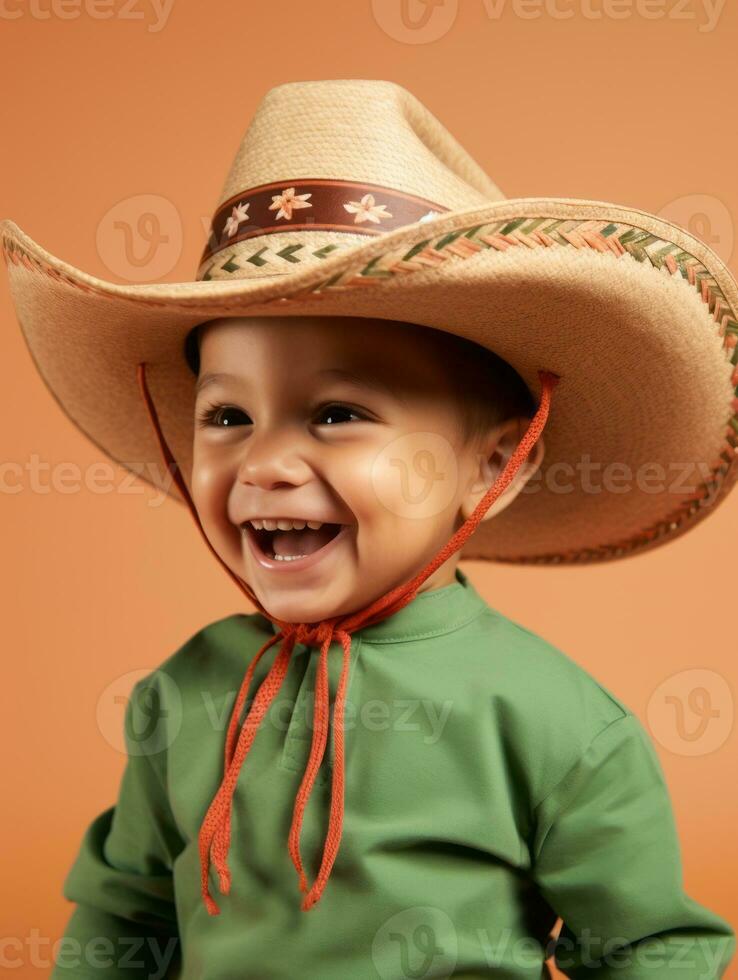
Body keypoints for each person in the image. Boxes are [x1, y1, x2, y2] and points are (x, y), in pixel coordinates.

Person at [2, 78, 736, 978]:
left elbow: (651, 948)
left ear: (493, 468)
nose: (264, 462)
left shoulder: (554, 721)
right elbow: (125, 916)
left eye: (339, 413)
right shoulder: (182, 694)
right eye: (227, 417)